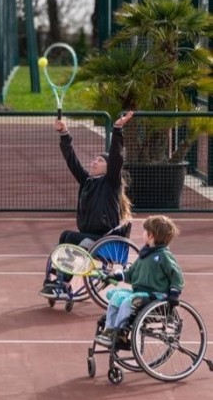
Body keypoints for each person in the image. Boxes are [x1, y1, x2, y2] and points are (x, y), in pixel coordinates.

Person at [39, 110, 135, 299]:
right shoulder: (87, 182)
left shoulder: (110, 183)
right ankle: (57, 279)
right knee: (66, 235)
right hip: (89, 235)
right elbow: (72, 161)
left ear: (108, 167)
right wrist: (64, 134)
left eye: (99, 161)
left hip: (103, 237)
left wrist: (117, 129)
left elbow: (117, 157)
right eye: (94, 159)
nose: (94, 162)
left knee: (73, 238)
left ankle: (64, 283)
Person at [94, 215, 184, 347]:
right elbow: (131, 274)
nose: (143, 233)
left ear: (151, 235)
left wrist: (174, 294)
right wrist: (117, 276)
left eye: (145, 231)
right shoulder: (144, 254)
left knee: (129, 301)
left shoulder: (164, 255)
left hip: (156, 296)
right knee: (116, 296)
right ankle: (110, 329)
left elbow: (176, 275)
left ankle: (120, 333)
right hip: (140, 293)